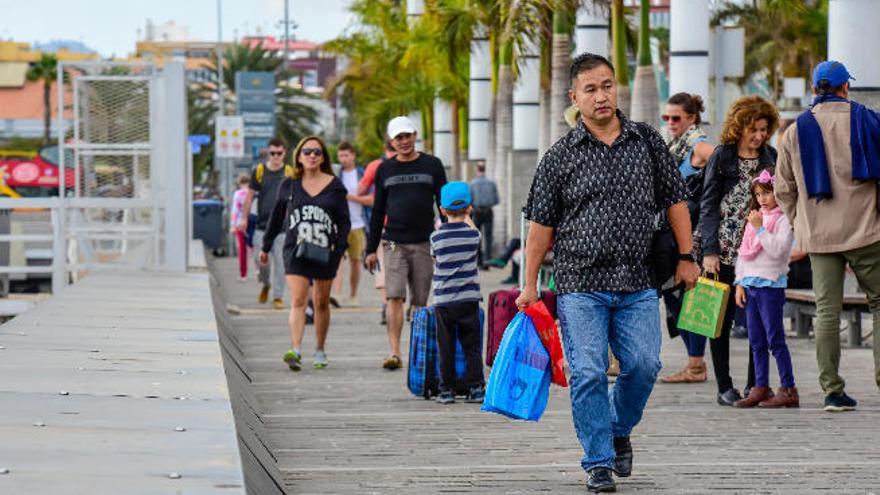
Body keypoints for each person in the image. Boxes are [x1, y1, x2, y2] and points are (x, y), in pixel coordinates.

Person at [517, 52, 700, 493]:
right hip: (580, 284)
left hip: (638, 280)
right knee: (589, 373)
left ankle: (618, 429)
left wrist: (687, 255)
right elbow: (540, 228)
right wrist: (528, 285)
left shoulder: (647, 141)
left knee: (643, 365)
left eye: (606, 86)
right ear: (574, 97)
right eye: (590, 89)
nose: (601, 96)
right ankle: (598, 460)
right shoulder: (560, 157)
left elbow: (675, 200)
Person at [775, 60, 880, 412]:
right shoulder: (867, 119)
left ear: (814, 88)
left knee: (827, 311)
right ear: (845, 87)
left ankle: (833, 391)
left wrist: (800, 221)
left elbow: (783, 189)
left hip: (819, 234)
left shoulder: (794, 130)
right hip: (867, 230)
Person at [698, 95, 779, 406]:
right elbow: (707, 205)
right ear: (740, 126)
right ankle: (724, 386)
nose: (759, 136)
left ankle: (754, 384)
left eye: (763, 129)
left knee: (757, 317)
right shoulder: (723, 156)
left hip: (757, 249)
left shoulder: (770, 156)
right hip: (723, 248)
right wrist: (709, 250)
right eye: (753, 129)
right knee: (719, 318)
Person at [260, 136, 351, 371]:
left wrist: (340, 249)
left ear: (323, 158)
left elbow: (344, 222)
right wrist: (265, 246)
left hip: (325, 251)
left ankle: (320, 350)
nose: (312, 156)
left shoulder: (335, 185)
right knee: (299, 300)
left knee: (321, 302)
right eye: (307, 151)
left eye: (317, 152)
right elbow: (276, 218)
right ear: (299, 156)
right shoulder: (288, 184)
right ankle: (296, 349)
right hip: (295, 250)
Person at [365, 116, 447, 370]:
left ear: (415, 135)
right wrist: (370, 249)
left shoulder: (432, 165)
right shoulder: (385, 169)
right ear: (391, 141)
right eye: (399, 138)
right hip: (393, 243)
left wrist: (449, 233)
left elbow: (442, 203)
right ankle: (395, 352)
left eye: (408, 136)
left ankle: (418, 350)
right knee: (394, 296)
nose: (404, 142)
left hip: (424, 242)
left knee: (421, 301)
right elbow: (378, 210)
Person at [659, 92, 716, 385]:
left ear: (691, 118)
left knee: (688, 298)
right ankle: (695, 363)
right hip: (676, 235)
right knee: (677, 298)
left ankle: (696, 365)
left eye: (676, 118)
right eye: (666, 117)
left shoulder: (695, 143)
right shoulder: (675, 145)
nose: (670, 122)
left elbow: (716, 155)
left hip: (692, 237)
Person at [732, 170, 798, 408]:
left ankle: (788, 388)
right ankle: (760, 386)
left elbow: (779, 251)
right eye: (758, 194)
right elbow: (743, 254)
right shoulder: (755, 218)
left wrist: (761, 229)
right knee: (756, 340)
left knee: (775, 339)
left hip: (770, 286)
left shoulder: (782, 220)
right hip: (750, 285)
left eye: (767, 193)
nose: (762, 198)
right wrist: (739, 282)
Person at [430, 181, 485, 405]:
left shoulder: (435, 238)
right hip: (468, 300)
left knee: (446, 346)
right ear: (469, 208)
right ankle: (476, 388)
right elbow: (473, 233)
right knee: (471, 346)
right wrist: (468, 217)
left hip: (444, 301)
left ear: (442, 210)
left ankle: (446, 390)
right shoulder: (474, 236)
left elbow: (435, 259)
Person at [239, 137, 294, 310]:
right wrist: (244, 218)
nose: (276, 156)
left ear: (284, 153)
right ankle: (265, 284)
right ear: (268, 153)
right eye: (272, 153)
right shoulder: (259, 171)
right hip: (262, 226)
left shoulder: (290, 172)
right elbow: (249, 197)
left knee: (280, 262)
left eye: (279, 153)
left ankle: (277, 296)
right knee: (260, 260)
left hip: (284, 227)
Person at [358, 140, 396, 325]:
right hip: (398, 227)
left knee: (384, 265)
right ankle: (393, 305)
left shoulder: (375, 165)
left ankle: (386, 304)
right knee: (394, 265)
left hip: (383, 225)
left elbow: (361, 188)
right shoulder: (406, 164)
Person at [333, 141, 368, 307]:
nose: (343, 159)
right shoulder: (335, 175)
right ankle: (337, 295)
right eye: (340, 156)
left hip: (358, 225)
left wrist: (350, 197)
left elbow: (372, 200)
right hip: (338, 225)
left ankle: (353, 295)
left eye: (346, 155)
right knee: (337, 261)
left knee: (355, 262)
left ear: (353, 155)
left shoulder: (363, 174)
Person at [468, 162, 499, 268]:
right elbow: (496, 200)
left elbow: (469, 200)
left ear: (477, 169)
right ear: (484, 169)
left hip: (477, 211)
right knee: (488, 237)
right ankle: (488, 260)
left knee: (477, 236)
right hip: (488, 211)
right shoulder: (491, 183)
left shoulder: (472, 184)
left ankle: (479, 260)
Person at [230, 173, 251, 282]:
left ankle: (243, 274)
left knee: (242, 250)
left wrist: (233, 226)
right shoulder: (253, 193)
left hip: (239, 224)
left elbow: (235, 211)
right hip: (252, 222)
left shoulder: (238, 194)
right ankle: (259, 269)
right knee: (255, 247)